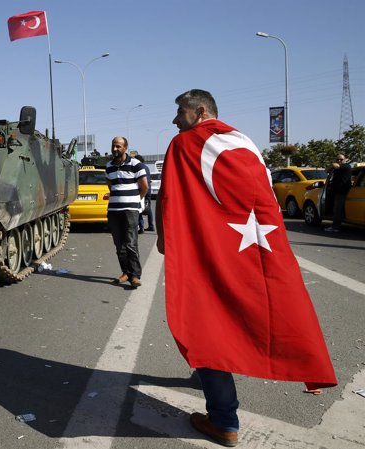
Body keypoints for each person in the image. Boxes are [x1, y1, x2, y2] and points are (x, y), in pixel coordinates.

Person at [156, 89, 336, 447]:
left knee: (205, 322)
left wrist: (166, 239)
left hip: (210, 247)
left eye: (179, 112)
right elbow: (261, 198)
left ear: (200, 111)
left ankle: (224, 421)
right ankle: (222, 379)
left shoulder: (184, 144)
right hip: (253, 244)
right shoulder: (243, 141)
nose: (175, 120)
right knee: (255, 309)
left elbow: (169, 198)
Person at [105, 136, 148, 288]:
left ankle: (135, 275)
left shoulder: (136, 165)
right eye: (113, 146)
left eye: (118, 146)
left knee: (131, 243)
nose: (115, 149)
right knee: (119, 244)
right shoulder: (108, 166)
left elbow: (144, 187)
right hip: (114, 210)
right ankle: (126, 272)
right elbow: (111, 187)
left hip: (130, 210)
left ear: (125, 147)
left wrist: (134, 201)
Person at [324, 153, 352, 232]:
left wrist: (333, 164)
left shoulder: (346, 166)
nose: (339, 161)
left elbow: (334, 166)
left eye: (341, 159)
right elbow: (326, 170)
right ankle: (337, 224)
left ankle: (335, 227)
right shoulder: (338, 168)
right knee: (337, 209)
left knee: (337, 209)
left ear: (345, 160)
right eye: (337, 159)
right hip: (337, 192)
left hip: (342, 192)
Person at [134, 155, 154, 233]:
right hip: (148, 188)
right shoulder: (146, 167)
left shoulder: (139, 167)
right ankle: (151, 226)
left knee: (139, 207)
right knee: (147, 207)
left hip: (142, 189)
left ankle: (141, 227)